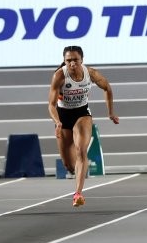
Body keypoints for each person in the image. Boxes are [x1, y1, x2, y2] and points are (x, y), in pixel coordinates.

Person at [48, 46, 119, 207]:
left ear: (82, 60)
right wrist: (58, 122)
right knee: (68, 163)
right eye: (68, 60)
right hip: (63, 115)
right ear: (64, 61)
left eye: (75, 60)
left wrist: (111, 113)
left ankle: (78, 194)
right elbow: (51, 105)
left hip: (82, 113)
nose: (72, 63)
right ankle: (76, 170)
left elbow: (107, 88)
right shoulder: (59, 75)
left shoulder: (91, 73)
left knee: (81, 150)